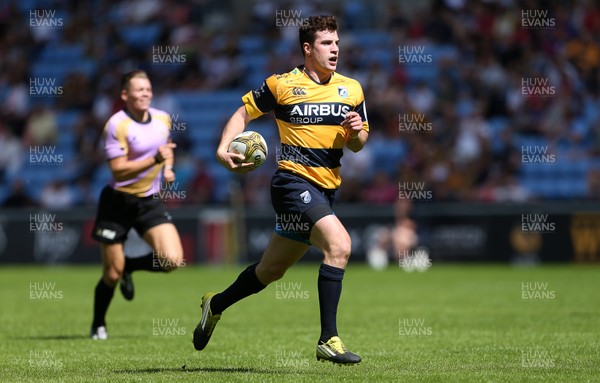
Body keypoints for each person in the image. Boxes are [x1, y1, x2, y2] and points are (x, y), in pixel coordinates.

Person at [193, 15, 369, 365]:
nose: (335, 49)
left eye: (336, 43)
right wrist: (222, 148)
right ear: (307, 48)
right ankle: (328, 339)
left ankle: (215, 304)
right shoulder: (281, 84)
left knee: (269, 271)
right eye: (326, 43)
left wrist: (355, 131)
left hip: (326, 188)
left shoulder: (352, 88)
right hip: (291, 184)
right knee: (340, 245)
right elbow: (243, 113)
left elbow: (359, 144)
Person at [90, 70, 184, 340]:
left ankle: (131, 266)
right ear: (124, 95)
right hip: (117, 202)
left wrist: (168, 168)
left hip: (148, 201)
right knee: (111, 272)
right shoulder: (116, 124)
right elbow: (119, 171)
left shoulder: (163, 118)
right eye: (139, 89)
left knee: (172, 260)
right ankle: (98, 323)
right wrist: (156, 160)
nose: (145, 93)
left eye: (148, 88)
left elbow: (167, 149)